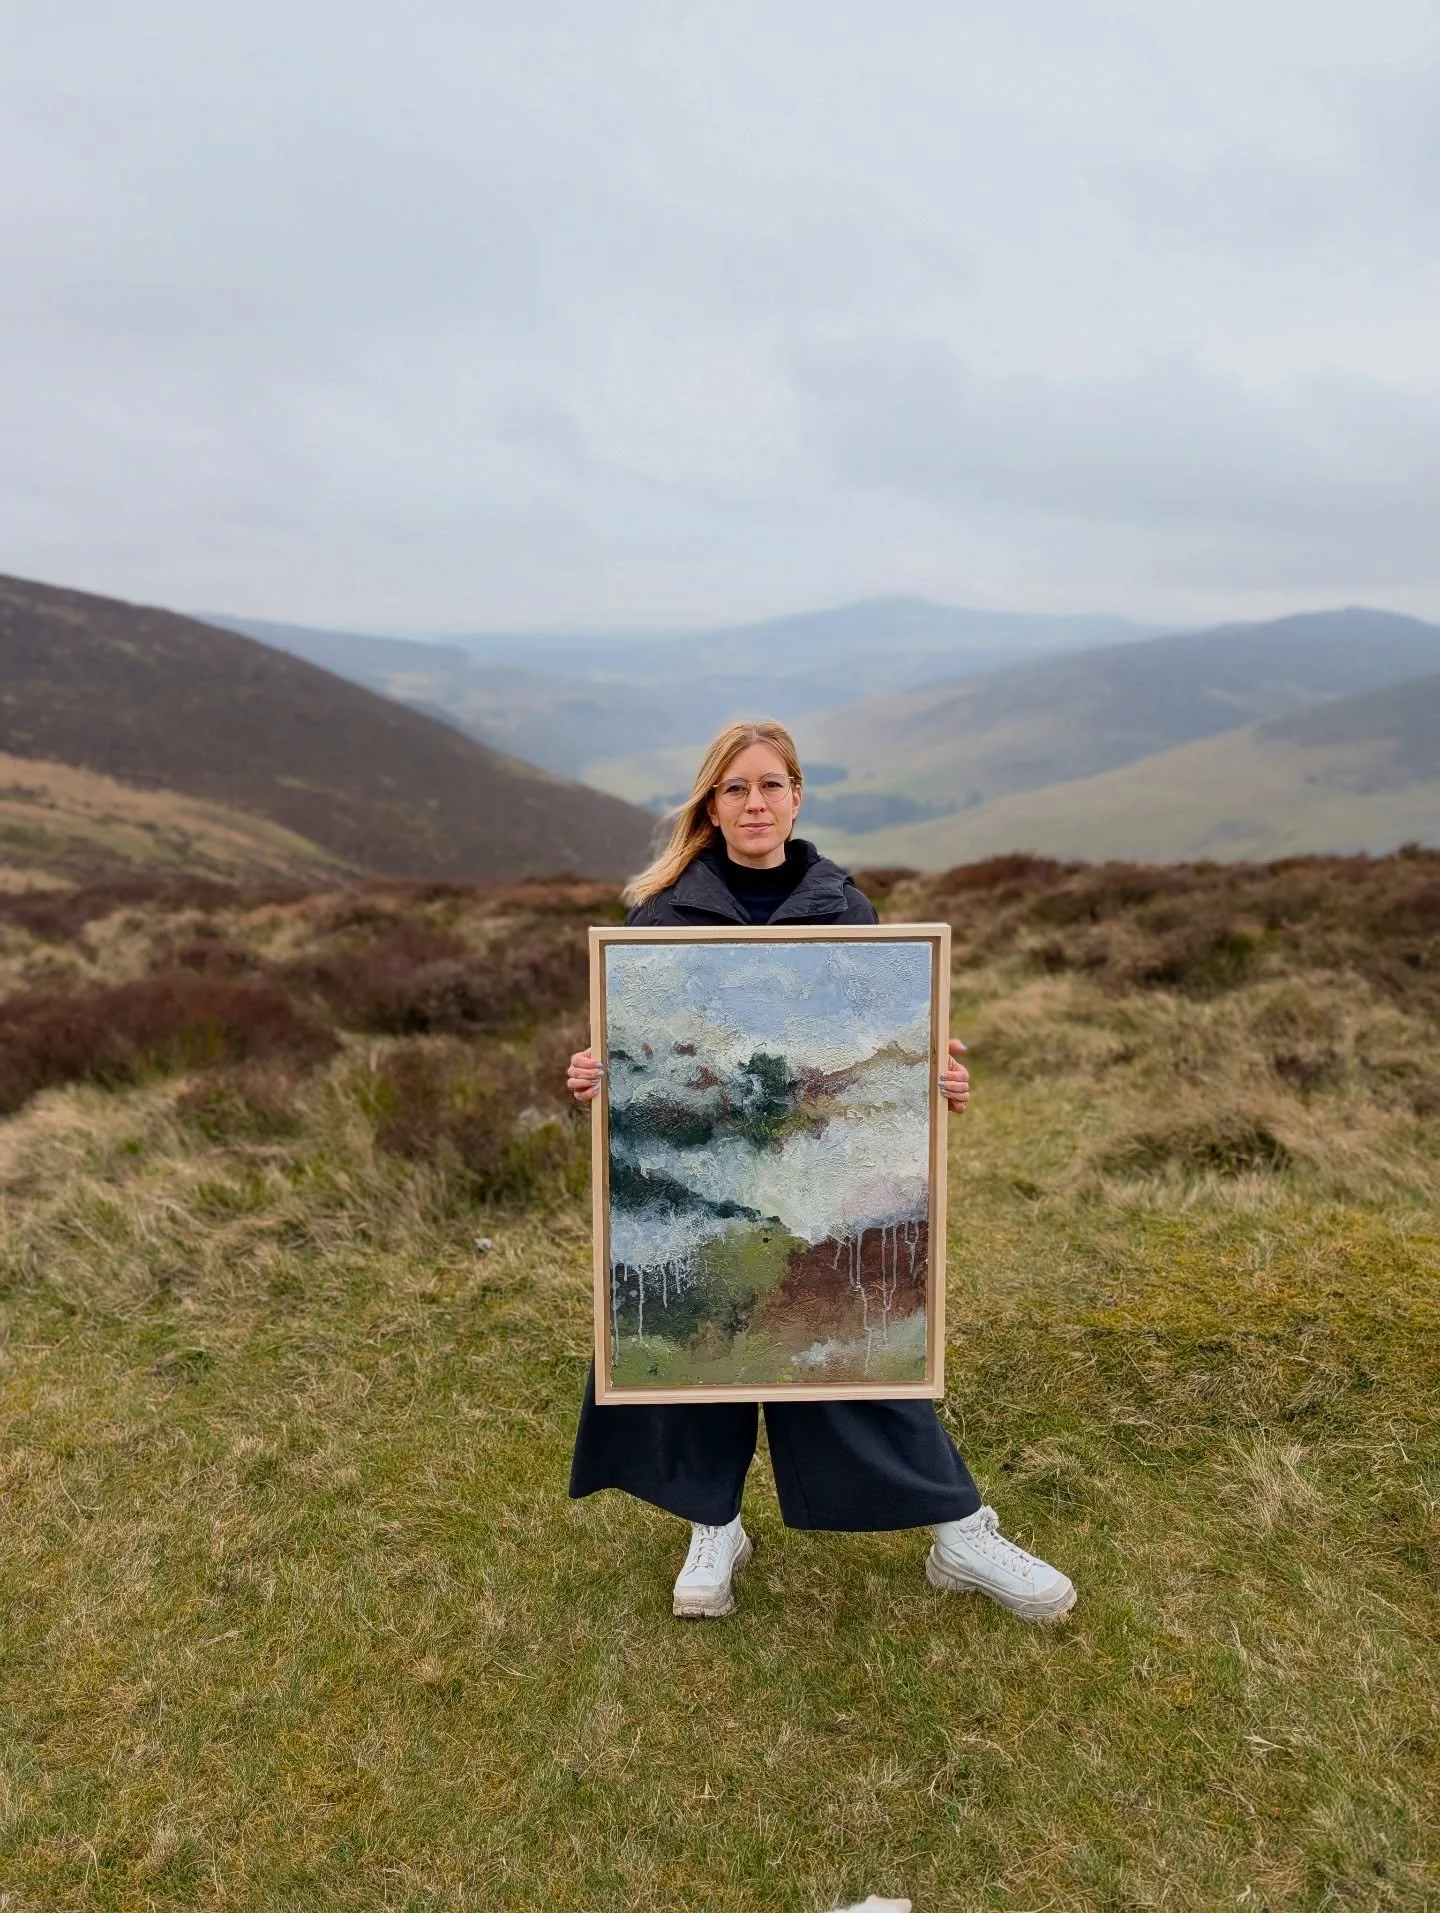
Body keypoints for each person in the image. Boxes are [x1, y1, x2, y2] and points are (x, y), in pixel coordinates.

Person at [566, 720, 1075, 1625]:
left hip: (822, 1180)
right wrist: (600, 1077)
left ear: (797, 797)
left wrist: (932, 1079)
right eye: (734, 789)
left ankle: (958, 1529)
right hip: (709, 1175)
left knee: (859, 1332)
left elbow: (876, 1037)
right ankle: (712, 1522)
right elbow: (643, 1061)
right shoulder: (658, 919)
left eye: (769, 785)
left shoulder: (848, 911)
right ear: (710, 807)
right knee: (697, 1330)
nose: (753, 803)